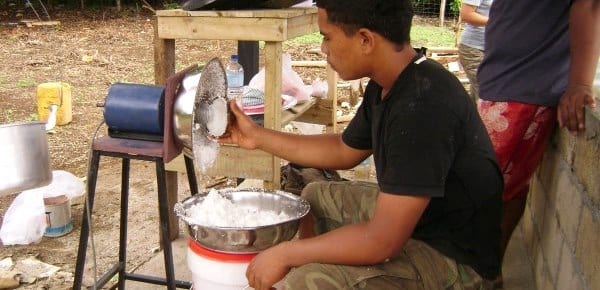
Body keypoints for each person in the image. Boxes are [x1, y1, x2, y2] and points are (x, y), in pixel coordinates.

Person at [218, 0, 503, 289]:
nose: (323, 49)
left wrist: (287, 254)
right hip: (427, 221)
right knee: (314, 197)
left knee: (306, 282)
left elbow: (382, 242)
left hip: (455, 258)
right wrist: (255, 136)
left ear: (365, 40)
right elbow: (344, 149)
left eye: (327, 37)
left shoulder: (422, 106)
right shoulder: (391, 80)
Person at [476, 0, 599, 287]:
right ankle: (487, 273)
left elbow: (589, 3)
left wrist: (580, 83)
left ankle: (480, 272)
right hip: (504, 80)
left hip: (521, 86)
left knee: (479, 189)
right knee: (499, 189)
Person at [457, 0, 493, 102]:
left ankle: (470, 116)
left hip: (492, 49)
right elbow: (467, 15)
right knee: (486, 90)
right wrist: (498, 21)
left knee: (478, 91)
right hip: (474, 49)